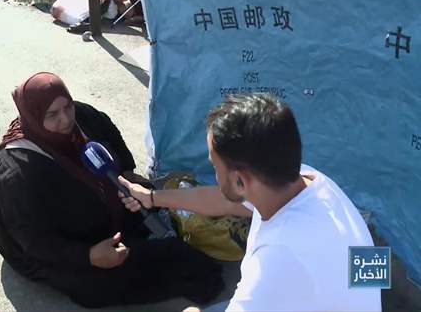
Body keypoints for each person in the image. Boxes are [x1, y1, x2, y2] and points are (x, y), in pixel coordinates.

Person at [119, 93, 381, 312]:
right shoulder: (311, 180)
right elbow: (222, 199)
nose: (214, 174)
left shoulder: (277, 257)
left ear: (241, 182)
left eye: (214, 166)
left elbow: (274, 273)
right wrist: (153, 198)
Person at [0, 72, 224, 308]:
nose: (66, 119)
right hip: (53, 250)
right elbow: (36, 243)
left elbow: (119, 154)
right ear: (33, 117)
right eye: (53, 115)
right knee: (103, 281)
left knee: (159, 207)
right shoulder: (17, 171)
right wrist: (89, 255)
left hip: (100, 209)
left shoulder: (84, 118)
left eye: (67, 107)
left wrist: (131, 183)